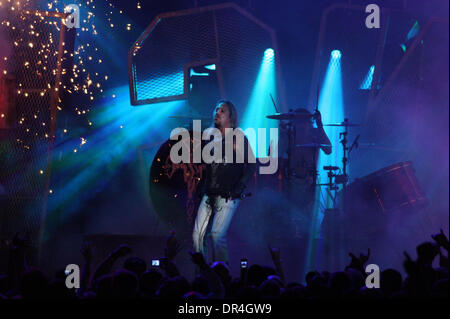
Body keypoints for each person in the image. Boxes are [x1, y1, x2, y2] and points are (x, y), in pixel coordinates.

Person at [192, 100, 256, 263]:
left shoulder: (239, 137)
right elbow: (208, 167)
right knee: (197, 236)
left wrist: (240, 186)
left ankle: (221, 273)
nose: (217, 112)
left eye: (222, 110)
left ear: (231, 117)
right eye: (216, 109)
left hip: (228, 195)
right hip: (209, 193)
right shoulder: (210, 138)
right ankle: (204, 274)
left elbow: (252, 165)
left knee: (216, 235)